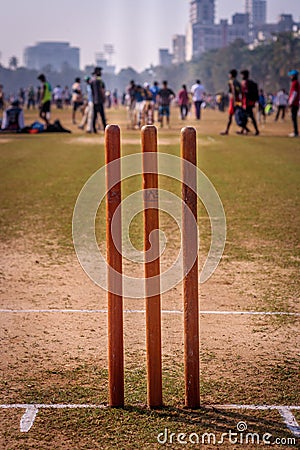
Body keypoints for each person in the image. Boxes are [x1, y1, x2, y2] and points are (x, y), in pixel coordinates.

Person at [220, 69, 243, 135]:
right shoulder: (238, 82)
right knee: (238, 115)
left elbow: (233, 90)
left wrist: (234, 101)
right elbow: (239, 91)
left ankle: (227, 130)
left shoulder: (232, 81)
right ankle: (242, 129)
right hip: (238, 100)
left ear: (231, 75)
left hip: (233, 100)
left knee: (231, 116)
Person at [240, 69, 259, 136]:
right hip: (250, 102)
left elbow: (244, 93)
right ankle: (243, 130)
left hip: (246, 102)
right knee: (247, 116)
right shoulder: (251, 82)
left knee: (248, 116)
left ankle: (256, 130)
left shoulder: (245, 83)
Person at [90, 66, 107, 133]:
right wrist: (104, 97)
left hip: (94, 100)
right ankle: (105, 128)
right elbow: (101, 90)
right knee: (102, 115)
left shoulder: (92, 80)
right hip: (99, 100)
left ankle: (93, 128)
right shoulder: (99, 80)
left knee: (94, 116)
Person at [287, 69, 300, 137]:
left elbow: (294, 93)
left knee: (294, 118)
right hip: (295, 103)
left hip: (294, 103)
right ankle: (295, 131)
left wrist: (290, 102)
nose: (290, 76)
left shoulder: (295, 83)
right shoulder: (295, 82)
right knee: (293, 118)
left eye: (291, 75)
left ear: (294, 76)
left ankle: (295, 132)